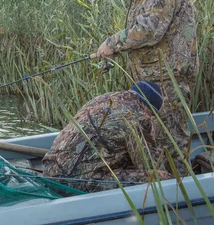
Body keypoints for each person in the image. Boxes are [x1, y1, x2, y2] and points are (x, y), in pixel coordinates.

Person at [96, 0, 199, 174]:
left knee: (170, 146)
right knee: (159, 146)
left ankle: (182, 198)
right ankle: (166, 195)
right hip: (155, 80)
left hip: (168, 82)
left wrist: (113, 43)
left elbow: (147, 30)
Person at [42, 81, 172, 193]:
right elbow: (147, 165)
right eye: (152, 114)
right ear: (146, 107)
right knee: (162, 178)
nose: (150, 118)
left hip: (49, 172)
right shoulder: (137, 117)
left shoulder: (102, 99)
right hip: (75, 183)